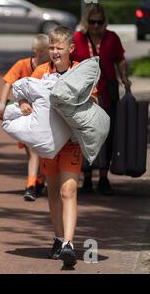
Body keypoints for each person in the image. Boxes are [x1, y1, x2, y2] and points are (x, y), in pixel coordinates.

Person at [29, 26, 98, 268]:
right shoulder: (40, 71)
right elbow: (25, 96)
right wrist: (26, 106)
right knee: (53, 191)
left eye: (59, 47)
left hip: (71, 143)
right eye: (51, 47)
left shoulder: (80, 71)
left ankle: (69, 244)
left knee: (68, 191)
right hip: (49, 144)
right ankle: (58, 239)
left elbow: (94, 99)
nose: (55, 51)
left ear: (71, 49)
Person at [72, 3, 132, 196]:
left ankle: (104, 178)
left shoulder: (112, 38)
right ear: (86, 21)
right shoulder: (78, 38)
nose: (96, 26)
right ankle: (87, 178)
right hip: (84, 96)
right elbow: (69, 60)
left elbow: (120, 58)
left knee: (107, 135)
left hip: (107, 94)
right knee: (86, 136)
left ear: (104, 21)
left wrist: (124, 76)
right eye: (92, 22)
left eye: (99, 22)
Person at [0, 34, 50, 201]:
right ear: (35, 51)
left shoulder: (50, 68)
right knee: (32, 152)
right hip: (25, 113)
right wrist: (2, 105)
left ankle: (32, 184)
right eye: (41, 53)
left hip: (42, 115)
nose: (43, 56)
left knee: (37, 151)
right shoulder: (23, 64)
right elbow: (8, 82)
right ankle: (37, 180)